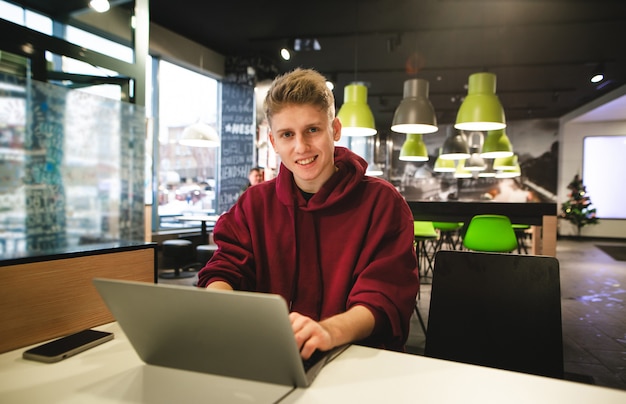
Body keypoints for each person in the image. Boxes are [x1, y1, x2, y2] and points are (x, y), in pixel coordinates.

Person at [197, 68, 418, 360]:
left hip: (356, 361)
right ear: (274, 142)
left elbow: (384, 297)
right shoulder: (255, 203)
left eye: (312, 129)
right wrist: (222, 308)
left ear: (335, 130)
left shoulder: (382, 202)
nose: (301, 147)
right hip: (270, 357)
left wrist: (326, 332)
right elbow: (224, 268)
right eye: (287, 135)